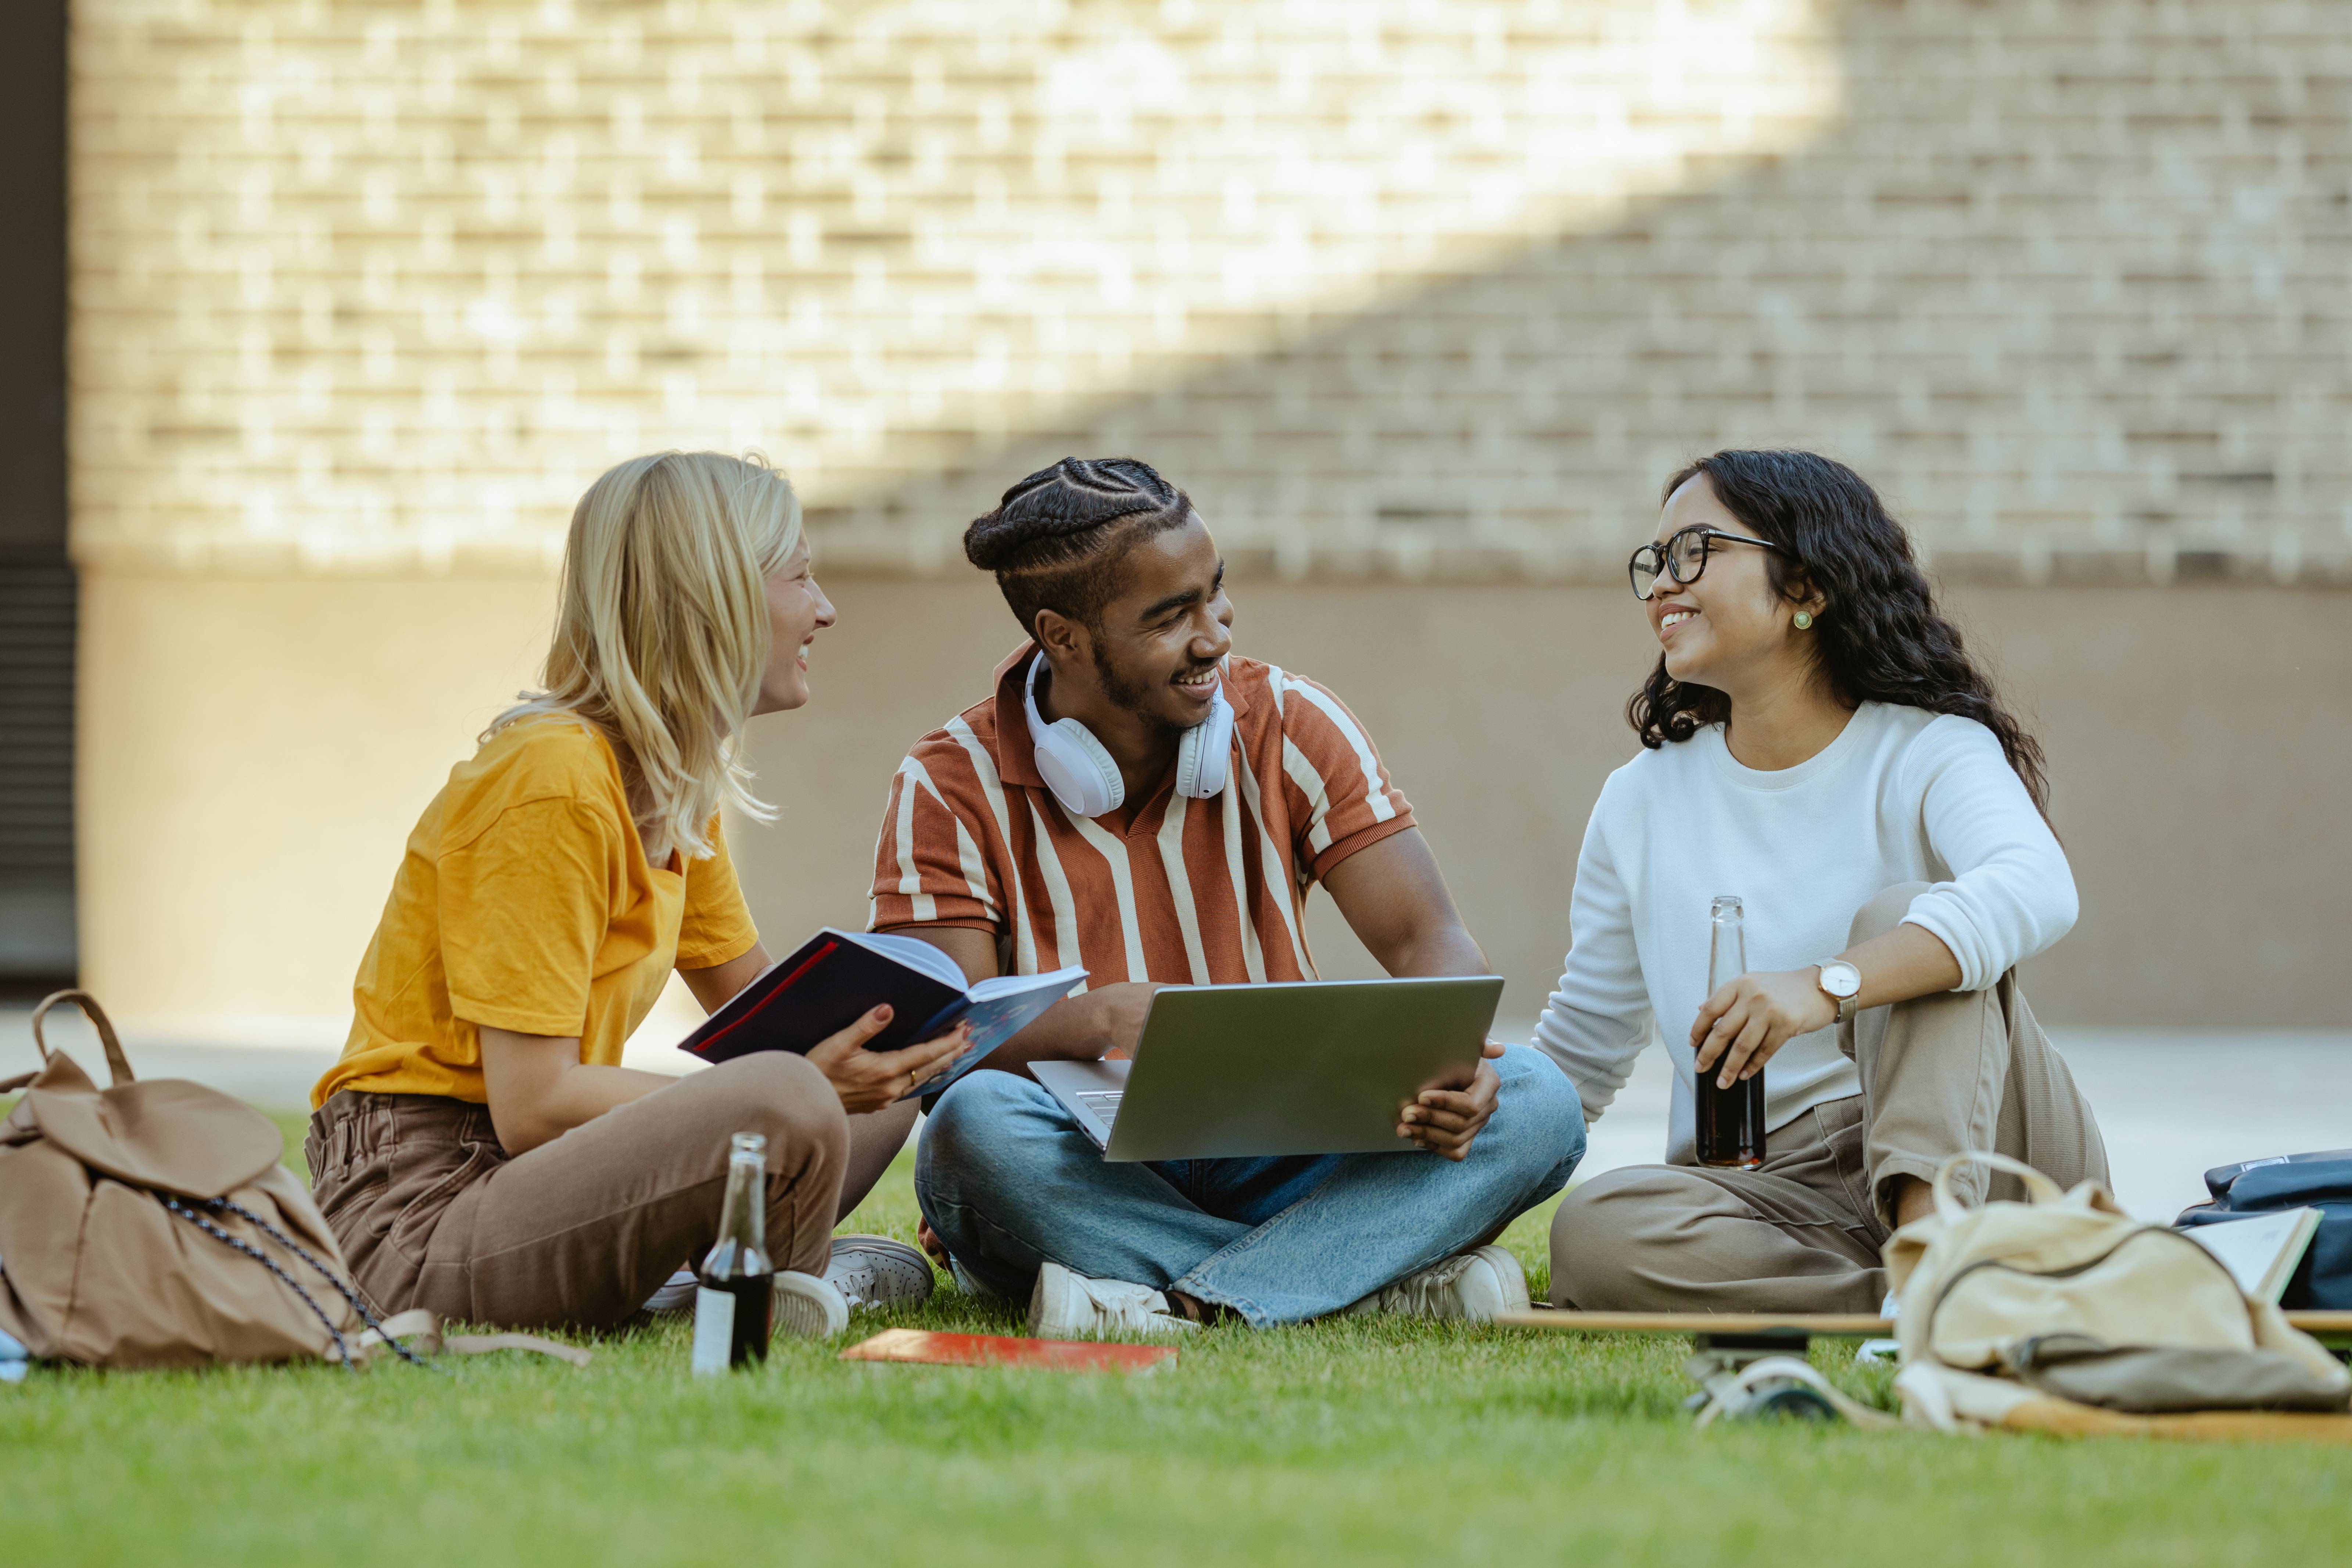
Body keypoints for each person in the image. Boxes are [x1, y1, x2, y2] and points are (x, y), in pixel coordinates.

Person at [870, 457, 1585, 1335]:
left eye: (1214, 594)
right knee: (970, 1132)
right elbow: (941, 1046)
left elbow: (1427, 941)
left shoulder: (1289, 718)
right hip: (1084, 1157)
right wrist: (1097, 1025)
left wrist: (1451, 1060)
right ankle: (1358, 1269)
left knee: (1538, 1097)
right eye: (1170, 617)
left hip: (1293, 1147)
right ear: (1063, 637)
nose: (1213, 635)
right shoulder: (947, 781)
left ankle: (1176, 1294)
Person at [305, 452, 968, 1336]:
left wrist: (922, 1036)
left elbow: (778, 1023)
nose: (826, 608)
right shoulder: (551, 780)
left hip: (535, 1180)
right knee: (791, 1093)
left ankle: (740, 1283)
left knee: (897, 1040)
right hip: (422, 1212)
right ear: (715, 595)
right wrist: (789, 1091)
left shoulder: (674, 788)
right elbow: (534, 1103)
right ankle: (779, 1289)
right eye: (801, 576)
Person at [1538, 449, 2109, 1313]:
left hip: (1985, 1147)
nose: (1661, 583)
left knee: (1910, 918)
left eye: (1694, 551)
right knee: (1595, 1230)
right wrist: (1481, 1105)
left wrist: (1824, 987)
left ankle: (1934, 1241)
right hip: (1768, 1186)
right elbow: (1581, 1048)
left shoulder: (1926, 746)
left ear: (1805, 587)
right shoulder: (1639, 799)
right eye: (1653, 563)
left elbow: (2036, 886)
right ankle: (1934, 1293)